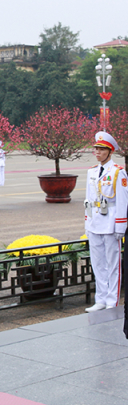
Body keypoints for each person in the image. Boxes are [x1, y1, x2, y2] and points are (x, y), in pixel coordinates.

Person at [85, 131, 128, 312]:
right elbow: (88, 200)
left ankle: (112, 299)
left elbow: (122, 201)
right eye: (96, 149)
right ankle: (100, 298)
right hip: (95, 222)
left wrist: (120, 225)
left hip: (110, 223)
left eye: (102, 149)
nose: (97, 152)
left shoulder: (118, 172)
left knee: (113, 264)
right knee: (98, 263)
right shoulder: (92, 172)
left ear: (110, 152)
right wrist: (87, 222)